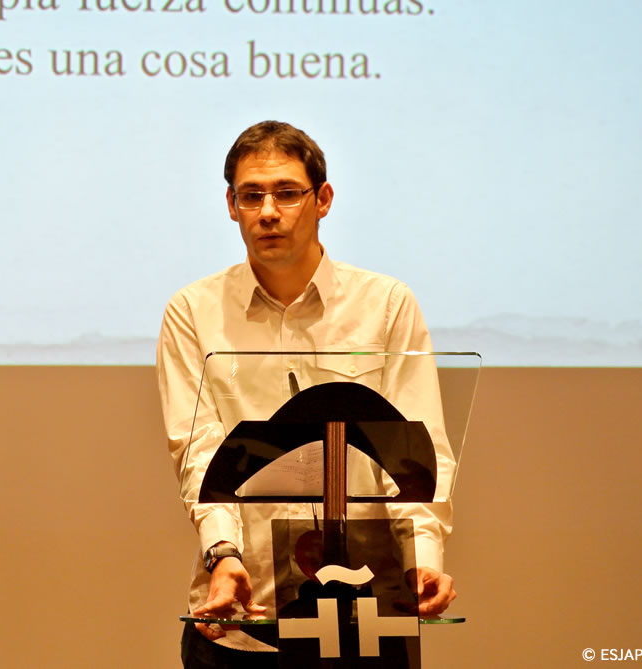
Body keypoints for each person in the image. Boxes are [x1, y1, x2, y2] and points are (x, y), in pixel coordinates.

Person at [156, 120, 457, 668]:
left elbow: (417, 448)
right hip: (243, 614)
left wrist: (424, 557)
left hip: (368, 610)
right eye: (252, 195)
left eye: (287, 193)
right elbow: (198, 450)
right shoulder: (193, 312)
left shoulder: (386, 305)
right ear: (231, 205)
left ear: (323, 199)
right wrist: (223, 556)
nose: (268, 211)